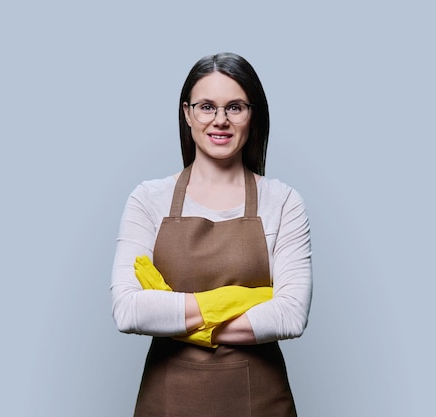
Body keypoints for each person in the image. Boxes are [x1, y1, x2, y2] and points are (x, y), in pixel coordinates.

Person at [110, 52, 313, 417]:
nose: (220, 120)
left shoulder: (283, 201)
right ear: (187, 113)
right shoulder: (148, 199)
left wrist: (175, 314)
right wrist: (237, 300)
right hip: (168, 401)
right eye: (207, 107)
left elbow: (290, 315)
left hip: (260, 403)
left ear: (253, 115)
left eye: (235, 107)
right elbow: (128, 310)